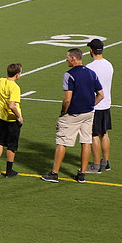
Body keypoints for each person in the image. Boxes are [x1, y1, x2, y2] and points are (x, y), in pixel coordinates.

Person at [41, 48, 104, 183]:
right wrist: (91, 104)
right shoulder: (92, 73)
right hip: (88, 113)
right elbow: (101, 94)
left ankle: (54, 173)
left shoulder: (69, 74)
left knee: (61, 142)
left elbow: (67, 99)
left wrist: (63, 112)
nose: (66, 60)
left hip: (73, 114)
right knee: (86, 141)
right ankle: (82, 174)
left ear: (74, 59)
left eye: (68, 57)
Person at [0, 63, 24, 177]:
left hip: (2, 117)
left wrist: (1, 94)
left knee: (1, 141)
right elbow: (11, 105)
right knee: (12, 145)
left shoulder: (1, 81)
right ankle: (9, 171)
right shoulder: (15, 87)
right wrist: (19, 116)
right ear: (17, 75)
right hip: (12, 119)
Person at [85, 39, 114, 173]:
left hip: (95, 104)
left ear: (91, 50)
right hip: (106, 103)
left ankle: (96, 165)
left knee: (94, 135)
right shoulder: (109, 65)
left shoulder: (90, 67)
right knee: (104, 133)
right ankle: (105, 162)